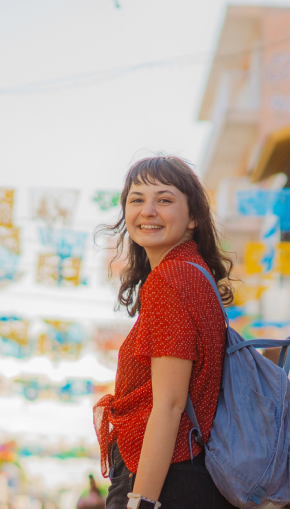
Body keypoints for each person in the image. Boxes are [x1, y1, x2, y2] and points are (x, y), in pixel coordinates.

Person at [93, 156, 237, 509]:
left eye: (165, 199)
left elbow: (169, 405)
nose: (148, 211)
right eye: (137, 199)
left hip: (163, 478)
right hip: (189, 474)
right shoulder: (195, 273)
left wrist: (142, 500)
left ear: (194, 217)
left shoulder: (170, 279)